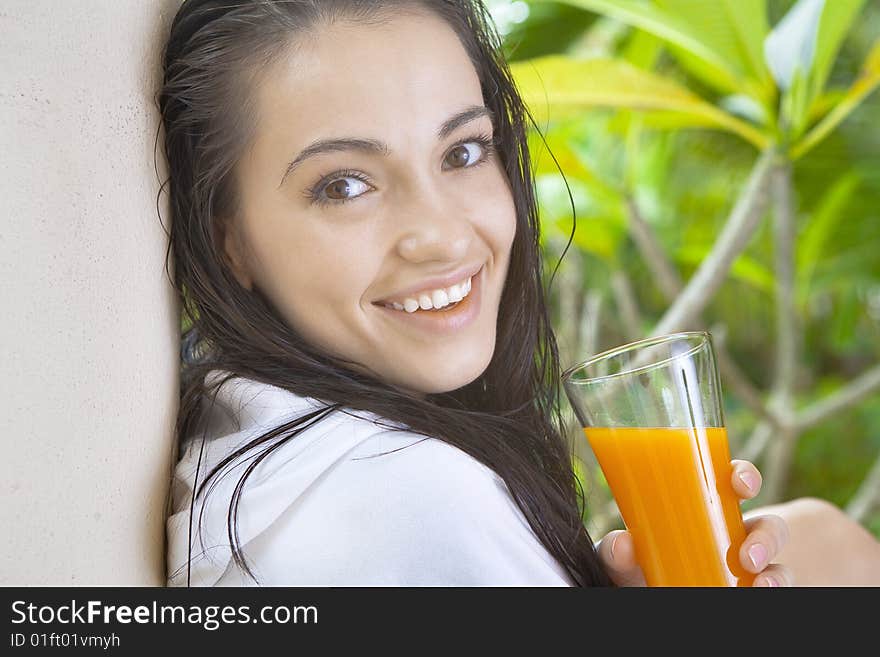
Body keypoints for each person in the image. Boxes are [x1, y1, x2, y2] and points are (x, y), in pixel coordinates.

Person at [159, 0, 875, 587]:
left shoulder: (247, 438)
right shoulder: (411, 498)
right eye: (344, 184)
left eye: (463, 152)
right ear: (230, 241)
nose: (440, 235)